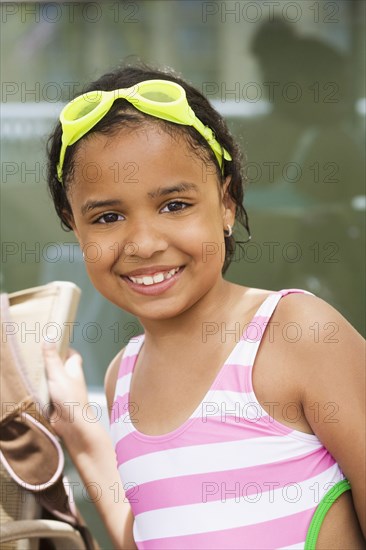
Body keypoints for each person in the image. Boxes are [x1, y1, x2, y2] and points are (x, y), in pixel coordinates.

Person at [43, 63, 365, 549]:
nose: (144, 243)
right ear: (75, 226)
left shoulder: (297, 334)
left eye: (174, 205)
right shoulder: (122, 379)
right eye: (108, 217)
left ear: (227, 202)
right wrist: (85, 440)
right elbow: (150, 536)